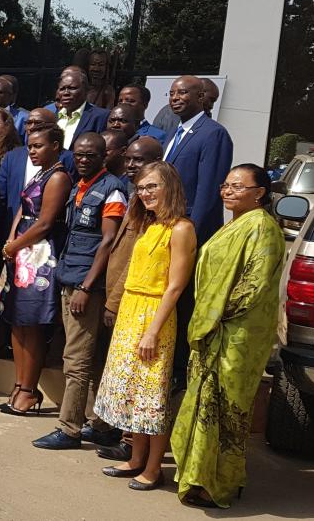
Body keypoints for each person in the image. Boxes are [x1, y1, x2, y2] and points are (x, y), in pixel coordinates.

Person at [170, 164, 284, 508]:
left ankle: (218, 483)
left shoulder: (263, 228)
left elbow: (254, 286)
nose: (228, 191)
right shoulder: (234, 225)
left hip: (236, 336)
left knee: (225, 409)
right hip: (214, 330)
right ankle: (195, 476)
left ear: (259, 192)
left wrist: (213, 319)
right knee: (205, 403)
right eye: (225, 186)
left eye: (237, 186)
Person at [89, 162, 195, 491]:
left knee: (152, 396)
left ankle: (152, 468)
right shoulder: (150, 224)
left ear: (170, 188)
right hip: (130, 313)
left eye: (152, 187)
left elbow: (175, 287)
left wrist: (152, 330)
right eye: (142, 188)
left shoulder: (181, 228)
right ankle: (135, 459)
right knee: (133, 393)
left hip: (154, 316)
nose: (145, 193)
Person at [31, 132, 128, 450]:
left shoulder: (112, 189)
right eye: (80, 154)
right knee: (93, 357)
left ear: (104, 156)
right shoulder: (78, 187)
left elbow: (108, 241)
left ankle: (69, 428)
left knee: (76, 359)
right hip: (70, 278)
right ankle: (99, 423)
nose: (83, 159)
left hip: (87, 285)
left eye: (91, 155)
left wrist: (87, 287)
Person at [96, 135, 165, 463]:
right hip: (123, 301)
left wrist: (114, 300)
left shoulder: (158, 216)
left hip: (139, 306)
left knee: (139, 379)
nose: (132, 165)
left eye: (141, 161)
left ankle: (129, 441)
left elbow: (136, 265)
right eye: (130, 159)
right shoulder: (134, 198)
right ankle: (115, 430)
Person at [0, 126, 71, 414]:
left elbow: (44, 223)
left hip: (39, 255)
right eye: (30, 146)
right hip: (20, 250)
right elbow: (22, 209)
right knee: (17, 321)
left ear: (56, 146)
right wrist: (11, 241)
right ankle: (19, 384)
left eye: (39, 146)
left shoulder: (58, 177)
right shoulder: (40, 173)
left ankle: (29, 390)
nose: (32, 151)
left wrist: (14, 246)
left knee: (33, 324)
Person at [163, 75, 233, 245]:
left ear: (200, 97)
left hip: (190, 229)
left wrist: (192, 232)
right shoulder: (173, 133)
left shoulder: (213, 133)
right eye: (171, 94)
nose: (175, 98)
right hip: (166, 221)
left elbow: (208, 191)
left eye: (182, 92)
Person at [46, 68, 109, 150]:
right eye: (62, 89)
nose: (66, 93)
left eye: (72, 88)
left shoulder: (101, 117)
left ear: (86, 91)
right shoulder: (52, 117)